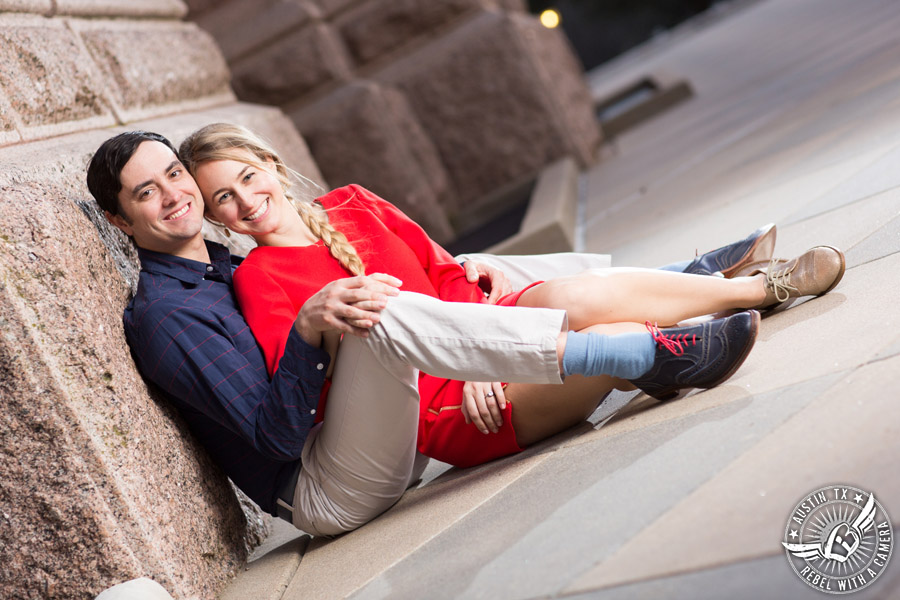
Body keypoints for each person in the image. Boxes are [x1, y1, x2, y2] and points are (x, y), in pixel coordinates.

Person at [84, 130, 797, 539]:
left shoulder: (243, 256)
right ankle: (656, 335)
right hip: (359, 462)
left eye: (175, 175)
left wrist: (477, 330)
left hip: (421, 397)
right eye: (148, 192)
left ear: (269, 165)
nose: (177, 194)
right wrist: (315, 329)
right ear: (123, 220)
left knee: (527, 281)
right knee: (376, 308)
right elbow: (282, 429)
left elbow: (439, 278)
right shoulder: (187, 307)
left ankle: (733, 284)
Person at [178, 123, 845, 474]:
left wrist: (487, 316)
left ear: (269, 164)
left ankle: (759, 288)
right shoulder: (257, 281)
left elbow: (442, 278)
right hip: (452, 409)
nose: (244, 202)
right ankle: (676, 323)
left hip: (489, 334)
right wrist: (475, 370)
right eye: (222, 201)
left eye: (244, 178)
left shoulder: (353, 202)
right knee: (596, 331)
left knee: (573, 296)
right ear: (217, 220)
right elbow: (332, 386)